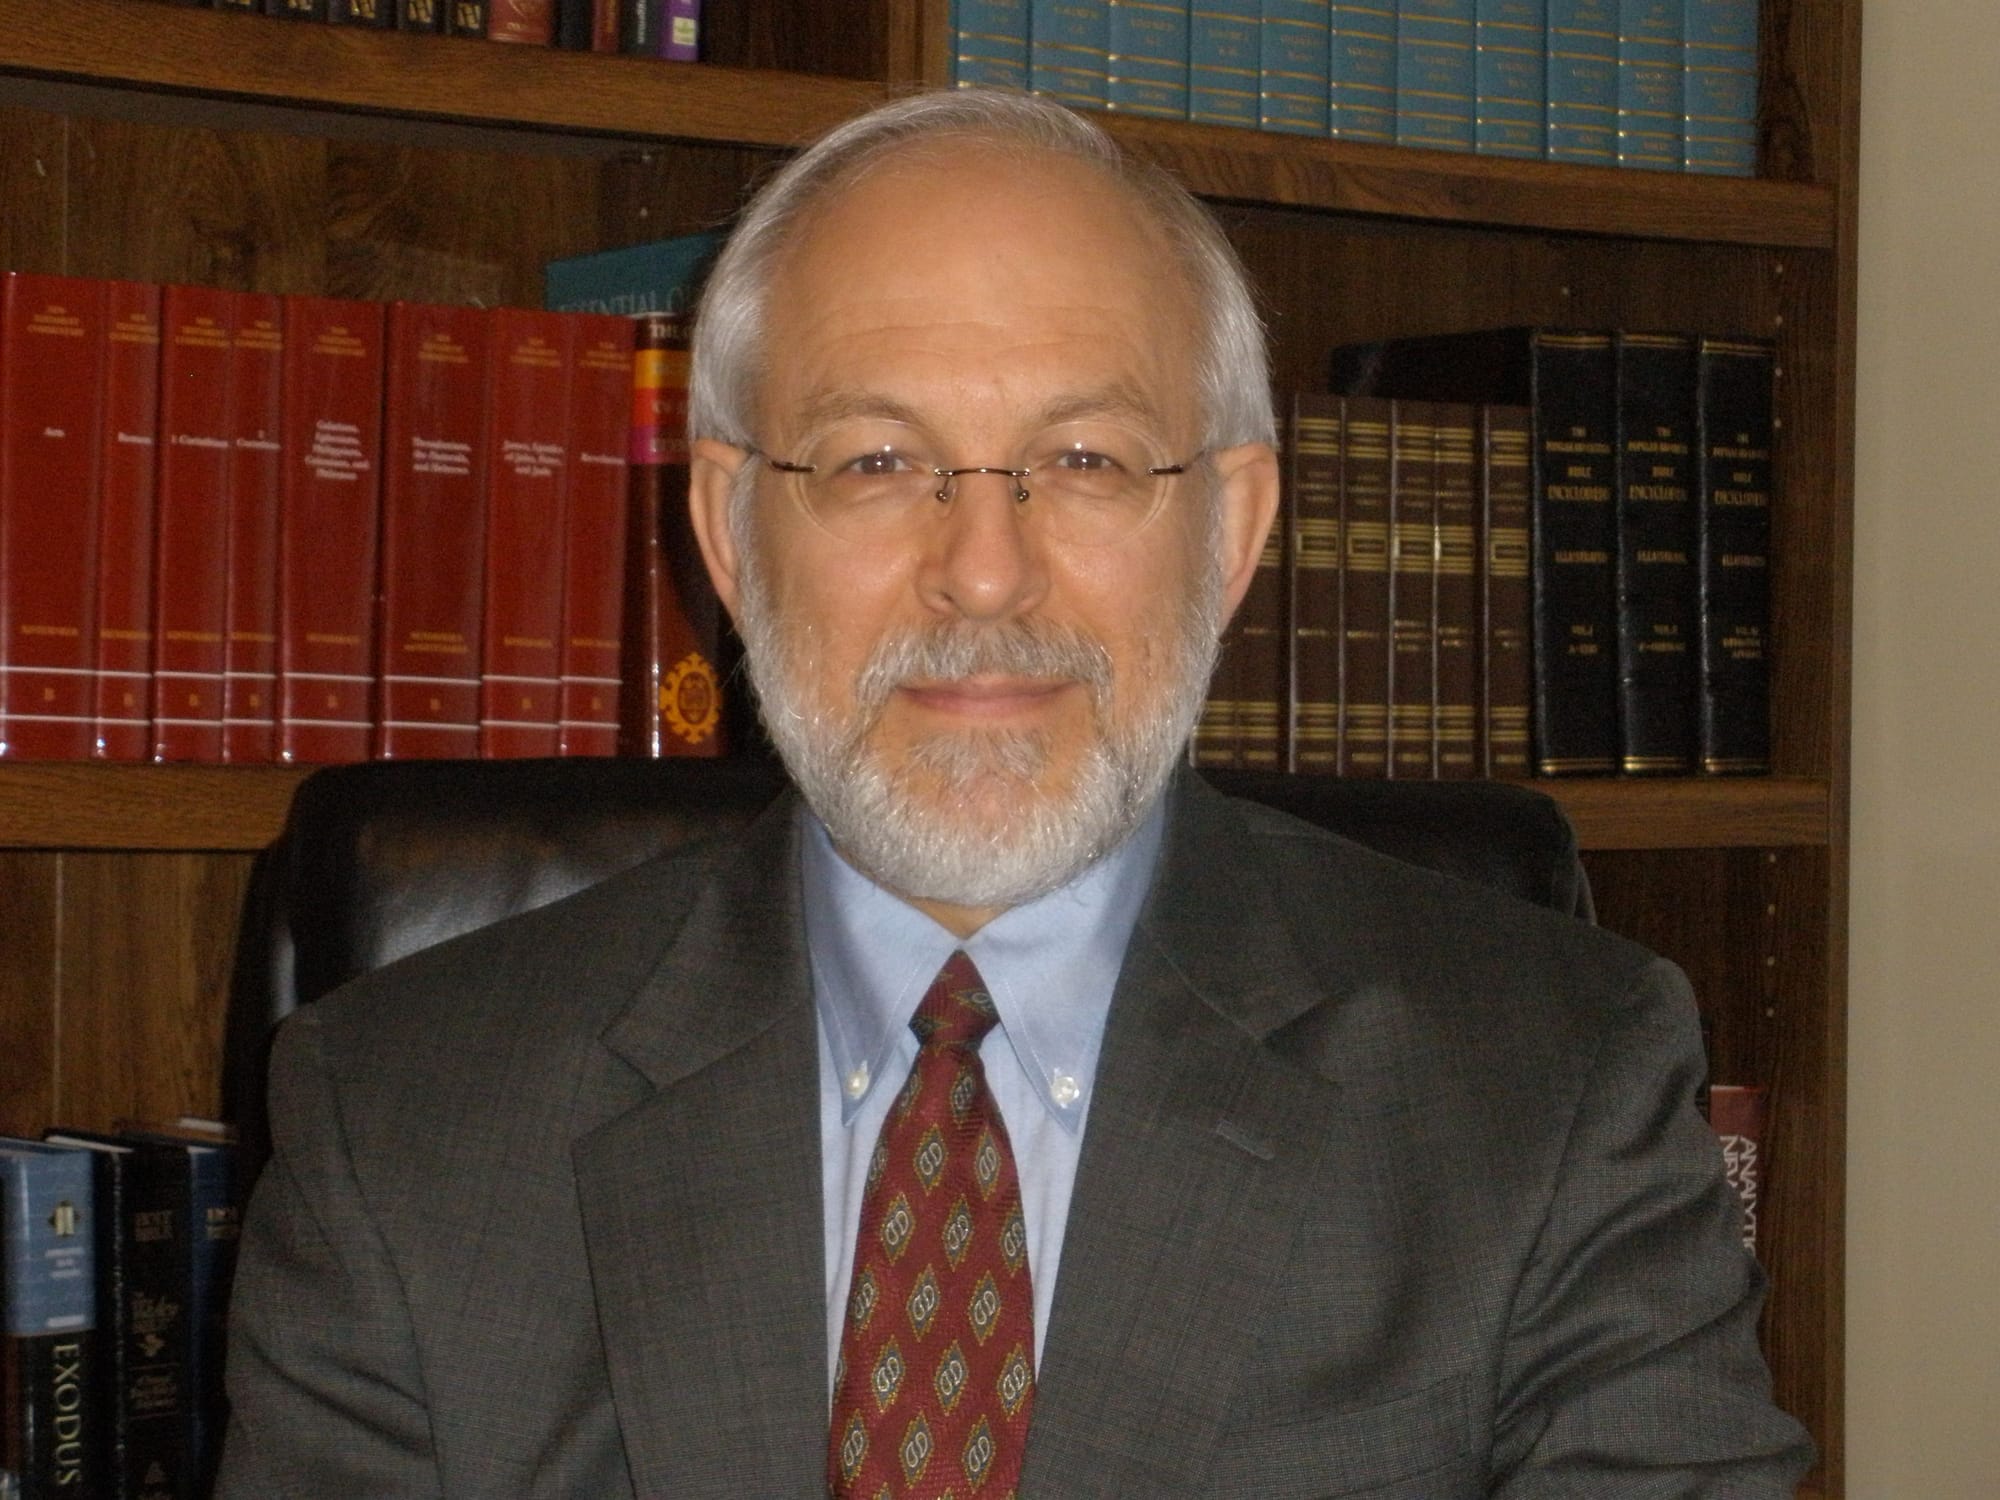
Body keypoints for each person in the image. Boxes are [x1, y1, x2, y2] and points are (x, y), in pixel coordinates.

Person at [217, 89, 1813, 1498]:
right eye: (875, 462)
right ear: (729, 533)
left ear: (1232, 530)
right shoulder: (402, 1131)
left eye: (1086, 462)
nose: (983, 573)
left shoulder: (1553, 1090)